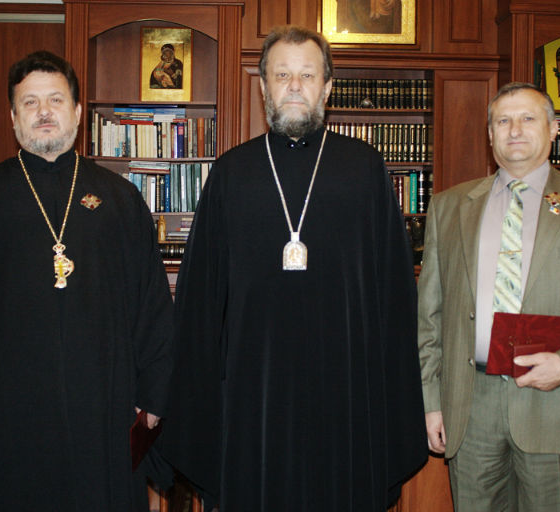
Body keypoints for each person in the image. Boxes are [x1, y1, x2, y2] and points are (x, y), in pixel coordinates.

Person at [160, 25, 427, 510]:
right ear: (264, 87)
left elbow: (393, 298)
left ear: (327, 87)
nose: (295, 86)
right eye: (282, 75)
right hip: (252, 392)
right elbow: (200, 304)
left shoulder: (365, 169)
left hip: (345, 388)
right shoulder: (231, 173)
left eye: (308, 75)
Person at [0, 51, 173, 511]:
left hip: (102, 411)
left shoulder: (120, 200)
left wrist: (153, 398)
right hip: (7, 411)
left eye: (55, 100)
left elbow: (152, 309)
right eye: (30, 102)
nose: (44, 111)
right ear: (12, 117)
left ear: (78, 112)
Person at [417, 82, 560, 511]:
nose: (515, 130)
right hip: (470, 406)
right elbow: (429, 315)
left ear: (553, 128)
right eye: (503, 121)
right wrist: (432, 402)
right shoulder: (449, 207)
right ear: (490, 134)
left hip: (557, 404)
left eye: (528, 118)